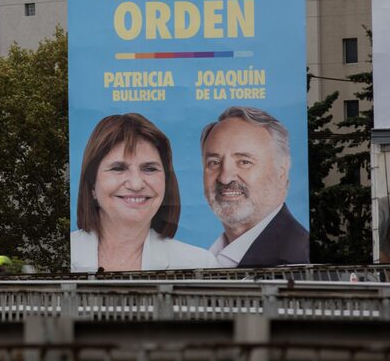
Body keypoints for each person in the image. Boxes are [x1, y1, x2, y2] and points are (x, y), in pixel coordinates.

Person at [71, 113, 218, 272]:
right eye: (118, 168)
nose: (136, 184)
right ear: (92, 184)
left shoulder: (199, 263)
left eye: (149, 169)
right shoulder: (61, 255)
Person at [200, 106, 309, 268]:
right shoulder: (204, 257)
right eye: (214, 163)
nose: (225, 177)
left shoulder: (296, 263)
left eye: (244, 162)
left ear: (282, 171)